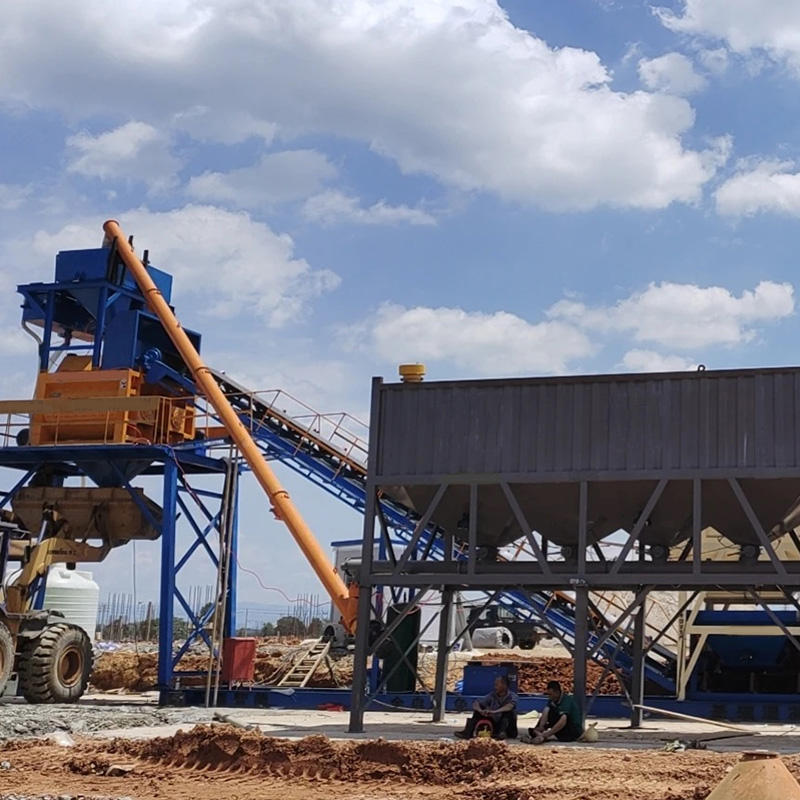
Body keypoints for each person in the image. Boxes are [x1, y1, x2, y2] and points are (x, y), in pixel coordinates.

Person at [454, 675, 518, 740]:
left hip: (507, 727)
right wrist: (481, 711)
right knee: (478, 710)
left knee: (510, 712)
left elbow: (509, 707)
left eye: (497, 685)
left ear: (504, 685)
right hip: (495, 723)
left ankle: (502, 733)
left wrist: (494, 712)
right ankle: (467, 732)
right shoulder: (492, 695)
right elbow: (477, 702)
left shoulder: (512, 696)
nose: (495, 687)